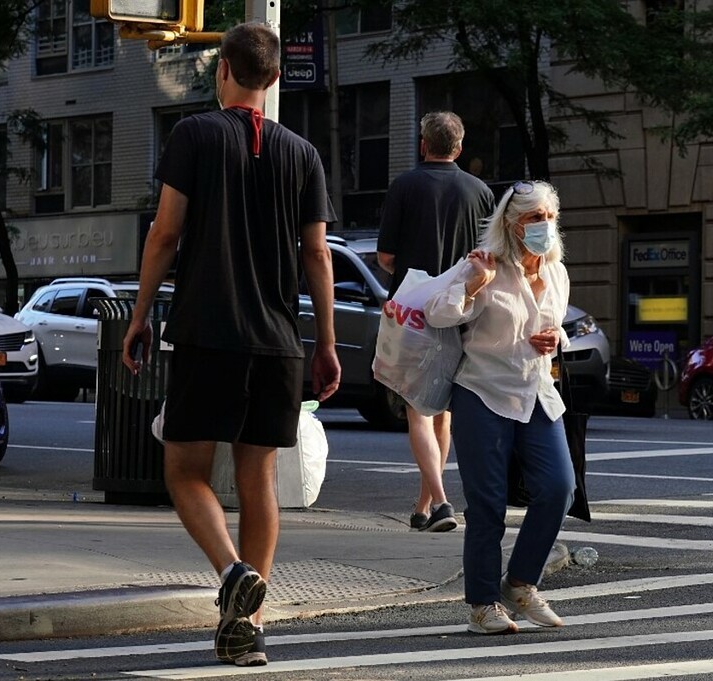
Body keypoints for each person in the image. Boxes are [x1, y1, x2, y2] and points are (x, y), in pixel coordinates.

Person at [120, 22, 340, 667]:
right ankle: (248, 626)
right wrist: (324, 341)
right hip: (277, 343)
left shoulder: (193, 135)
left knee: (184, 472)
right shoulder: (303, 153)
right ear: (273, 80)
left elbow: (164, 233)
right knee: (259, 480)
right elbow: (318, 254)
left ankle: (230, 572)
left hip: (206, 333)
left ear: (223, 70)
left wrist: (139, 314)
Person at [423, 180, 575, 634]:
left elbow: (558, 325)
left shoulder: (557, 271)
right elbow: (435, 313)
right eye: (534, 218)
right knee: (487, 503)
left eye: (549, 217)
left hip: (535, 392)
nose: (543, 226)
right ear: (511, 223)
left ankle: (520, 583)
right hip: (482, 393)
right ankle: (483, 604)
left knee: (559, 488)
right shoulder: (483, 264)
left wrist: (557, 339)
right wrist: (471, 286)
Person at [377, 111, 495, 532]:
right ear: (459, 148)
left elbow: (386, 258)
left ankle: (441, 502)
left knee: (417, 411)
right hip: (463, 314)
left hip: (412, 315)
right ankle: (423, 506)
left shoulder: (404, 186)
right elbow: (488, 259)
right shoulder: (481, 192)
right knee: (442, 412)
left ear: (422, 144)